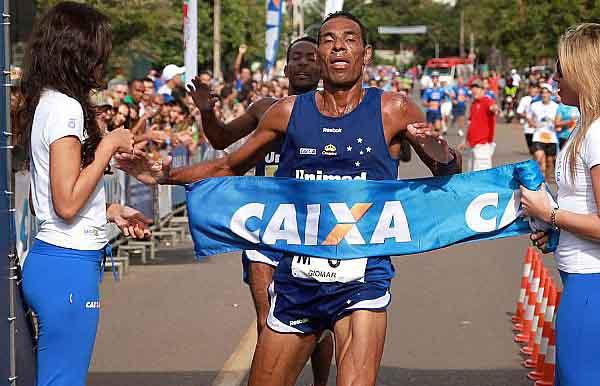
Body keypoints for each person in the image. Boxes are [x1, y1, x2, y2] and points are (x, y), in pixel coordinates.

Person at [119, 11, 461, 386]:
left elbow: (448, 176)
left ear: (366, 54)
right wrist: (164, 175)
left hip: (361, 278)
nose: (339, 46)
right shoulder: (286, 112)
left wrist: (442, 154)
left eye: (349, 38)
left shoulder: (393, 109)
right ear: (320, 55)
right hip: (297, 278)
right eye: (328, 40)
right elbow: (228, 166)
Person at [14, 3, 153, 386]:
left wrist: (108, 210)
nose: (104, 64)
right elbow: (67, 201)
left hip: (58, 261)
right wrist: (108, 146)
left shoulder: (48, 102)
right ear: (78, 55)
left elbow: (45, 197)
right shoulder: (65, 108)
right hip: (67, 266)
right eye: (99, 54)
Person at [187, 36, 333, 386]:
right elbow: (221, 140)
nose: (302, 64)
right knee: (268, 315)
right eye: (295, 58)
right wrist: (207, 112)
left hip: (315, 227)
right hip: (266, 227)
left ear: (323, 66)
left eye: (310, 58)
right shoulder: (265, 108)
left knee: (320, 319)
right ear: (284, 67)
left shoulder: (338, 112)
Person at [522, 23, 600, 386]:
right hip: (579, 278)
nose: (554, 77)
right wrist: (557, 232)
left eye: (560, 68)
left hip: (591, 285)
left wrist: (547, 213)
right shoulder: (584, 128)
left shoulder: (597, 133)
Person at [460, 80, 498, 171]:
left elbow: (492, 107)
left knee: (482, 174)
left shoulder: (486, 101)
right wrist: (464, 140)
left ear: (483, 90)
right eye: (473, 88)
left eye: (477, 88)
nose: (474, 90)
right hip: (472, 144)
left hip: (482, 144)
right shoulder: (473, 104)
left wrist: (494, 108)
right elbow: (471, 124)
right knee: (471, 172)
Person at [528, 83, 559, 180]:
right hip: (538, 135)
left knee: (549, 162)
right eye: (542, 93)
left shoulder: (556, 106)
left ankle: (546, 180)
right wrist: (533, 124)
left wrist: (556, 124)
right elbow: (529, 117)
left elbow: (559, 119)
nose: (544, 95)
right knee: (539, 159)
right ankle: (540, 181)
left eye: (546, 93)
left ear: (550, 94)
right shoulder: (534, 105)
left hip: (552, 136)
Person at [517, 82, 540, 154]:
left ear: (538, 89)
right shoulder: (525, 99)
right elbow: (519, 111)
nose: (533, 91)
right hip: (528, 129)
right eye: (532, 89)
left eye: (535, 89)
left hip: (539, 129)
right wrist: (527, 117)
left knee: (539, 151)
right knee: (532, 150)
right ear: (529, 89)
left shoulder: (541, 99)